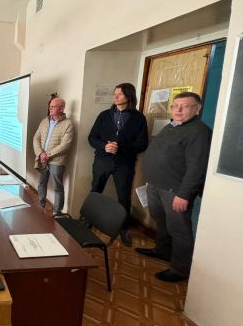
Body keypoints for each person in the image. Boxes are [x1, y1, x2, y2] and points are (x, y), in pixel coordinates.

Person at [136, 92, 212, 282]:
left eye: (184, 106)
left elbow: (197, 167)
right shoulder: (172, 126)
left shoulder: (198, 132)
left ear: (197, 109)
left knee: (179, 230)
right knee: (160, 220)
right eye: (175, 105)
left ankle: (179, 269)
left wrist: (184, 194)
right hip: (155, 185)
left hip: (175, 191)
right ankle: (163, 250)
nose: (178, 110)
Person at [88, 83, 148, 246]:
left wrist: (121, 147)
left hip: (124, 163)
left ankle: (123, 228)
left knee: (124, 197)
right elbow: (92, 138)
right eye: (114, 94)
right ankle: (88, 220)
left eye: (119, 94)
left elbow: (143, 144)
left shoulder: (139, 118)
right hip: (102, 161)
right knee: (95, 191)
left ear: (129, 96)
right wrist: (104, 146)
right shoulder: (104, 115)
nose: (115, 96)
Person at [33, 97, 74, 218]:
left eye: (53, 106)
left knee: (58, 186)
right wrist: (40, 153)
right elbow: (36, 138)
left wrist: (48, 155)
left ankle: (57, 212)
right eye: (50, 106)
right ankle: (41, 204)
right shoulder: (44, 121)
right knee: (42, 182)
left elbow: (66, 144)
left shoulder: (68, 124)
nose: (50, 108)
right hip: (42, 158)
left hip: (57, 160)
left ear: (61, 109)